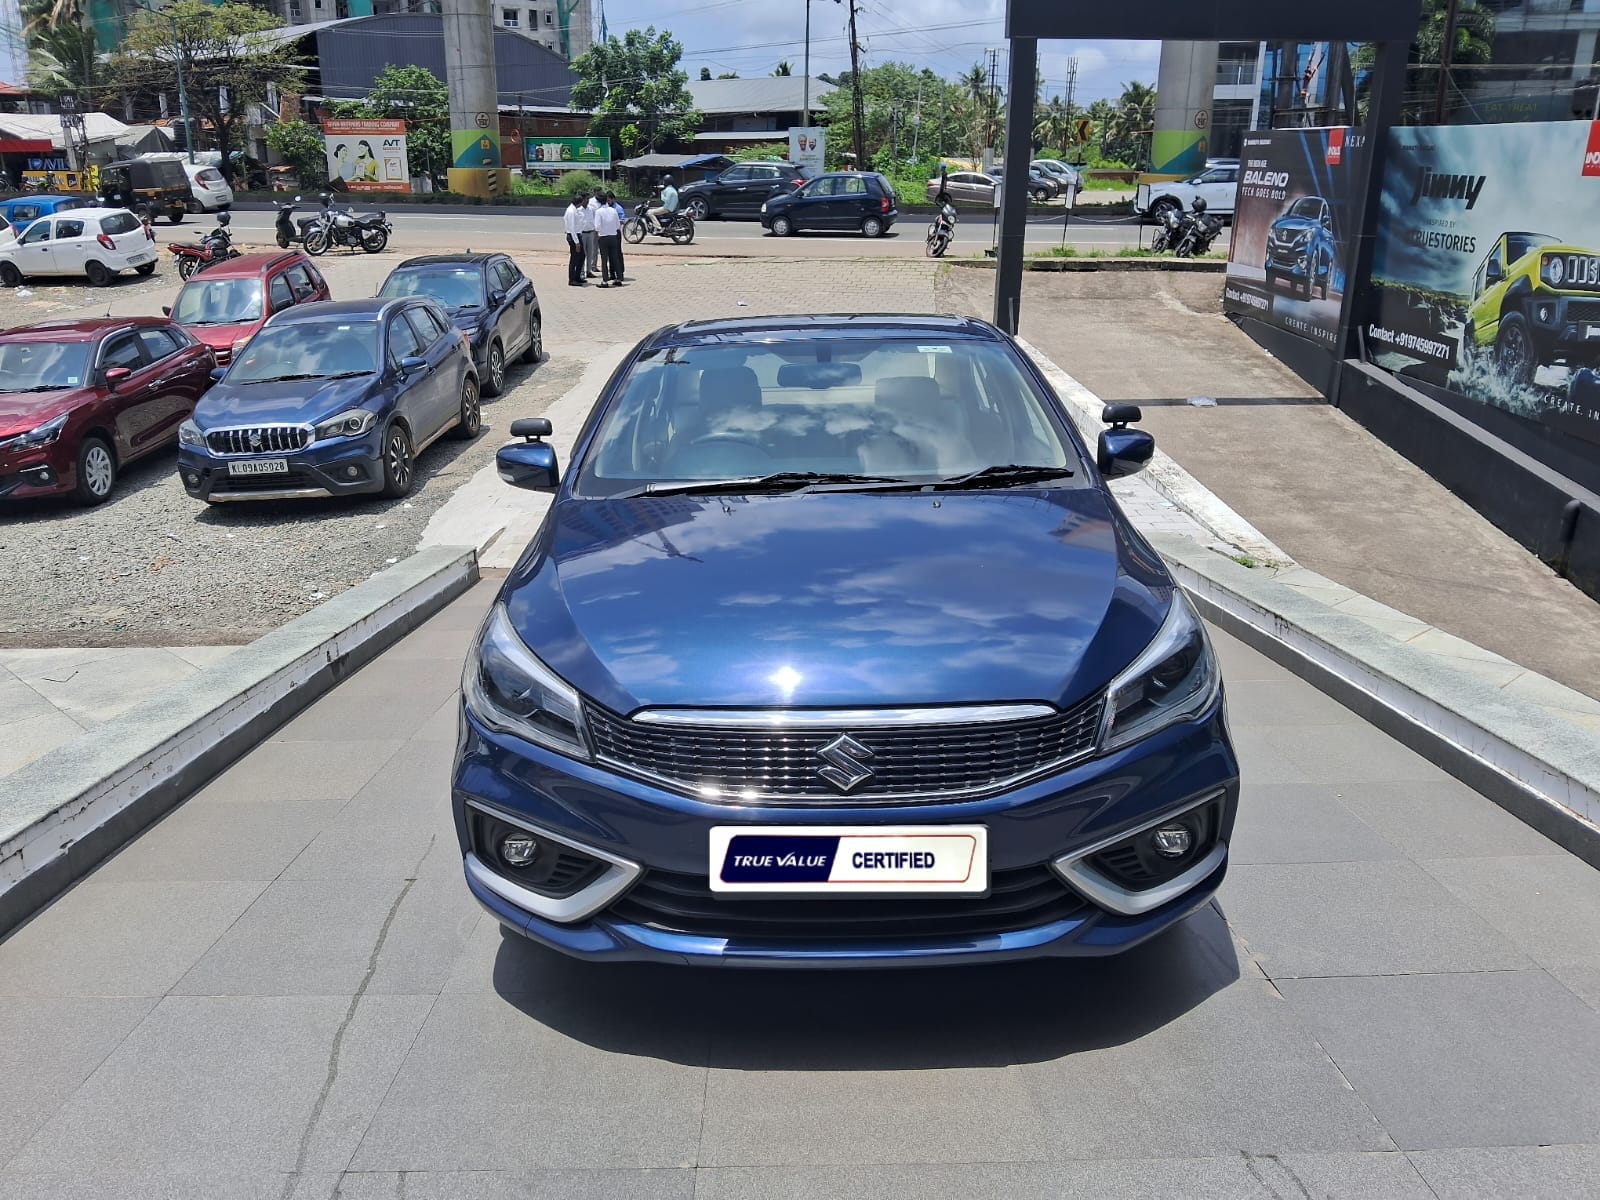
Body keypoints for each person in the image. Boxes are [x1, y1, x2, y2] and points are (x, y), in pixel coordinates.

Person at [594, 190, 623, 287]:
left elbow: (597, 226)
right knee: (615, 258)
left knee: (604, 259)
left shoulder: (598, 212)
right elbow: (617, 225)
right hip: (613, 236)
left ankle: (605, 281)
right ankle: (619, 278)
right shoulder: (613, 210)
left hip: (603, 237)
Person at [563, 190, 587, 286]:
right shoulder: (571, 211)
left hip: (577, 235)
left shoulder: (574, 210)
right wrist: (576, 242)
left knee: (581, 256)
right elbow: (572, 228)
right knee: (574, 258)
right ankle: (572, 279)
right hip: (574, 236)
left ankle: (577, 277)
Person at [577, 188, 598, 279]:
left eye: (588, 199)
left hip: (590, 233)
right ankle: (581, 272)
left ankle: (588, 271)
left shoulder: (591, 209)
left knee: (590, 253)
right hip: (582, 234)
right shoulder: (578, 210)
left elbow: (594, 220)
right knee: (582, 254)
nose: (588, 201)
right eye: (586, 199)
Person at [606, 191, 627, 280]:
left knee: (617, 253)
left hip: (616, 232)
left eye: (609, 200)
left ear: (613, 199)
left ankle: (620, 271)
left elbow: (623, 220)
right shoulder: (606, 208)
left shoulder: (618, 208)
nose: (608, 202)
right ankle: (612, 273)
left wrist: (613, 222)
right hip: (609, 233)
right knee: (610, 254)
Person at [584, 190, 603, 277]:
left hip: (594, 230)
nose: (587, 201)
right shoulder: (590, 203)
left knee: (593, 250)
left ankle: (591, 268)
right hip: (585, 232)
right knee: (585, 253)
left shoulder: (591, 208)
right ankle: (583, 271)